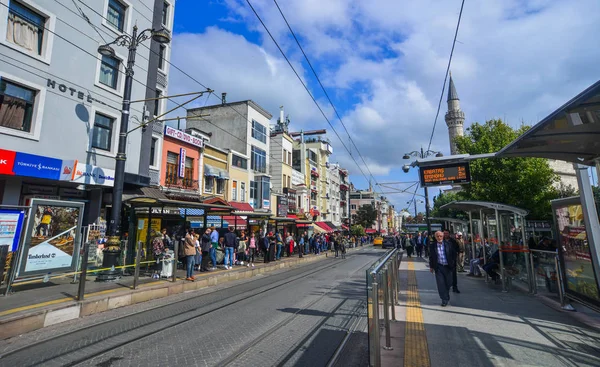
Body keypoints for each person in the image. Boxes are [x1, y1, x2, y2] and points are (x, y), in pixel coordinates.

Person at [429, 231, 456, 307]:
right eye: (437, 236)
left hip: (448, 266)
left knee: (449, 283)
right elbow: (431, 257)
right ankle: (444, 299)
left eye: (440, 236)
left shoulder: (449, 244)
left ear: (443, 236)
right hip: (439, 267)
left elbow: (454, 254)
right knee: (441, 284)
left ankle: (446, 294)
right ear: (435, 237)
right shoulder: (432, 246)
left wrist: (453, 263)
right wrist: (431, 267)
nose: (439, 237)